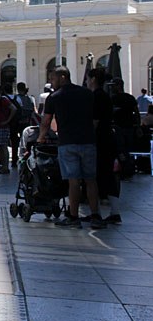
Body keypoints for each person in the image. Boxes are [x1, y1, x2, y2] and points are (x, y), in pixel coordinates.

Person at [38, 66, 105, 229]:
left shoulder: (54, 97)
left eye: (53, 79)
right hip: (88, 141)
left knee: (73, 181)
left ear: (62, 77)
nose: (51, 83)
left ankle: (73, 217)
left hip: (67, 143)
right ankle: (96, 216)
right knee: (91, 180)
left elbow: (46, 121)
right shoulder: (87, 93)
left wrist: (40, 138)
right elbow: (96, 120)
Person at [87, 68, 120, 224]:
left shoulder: (96, 97)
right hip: (107, 139)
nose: (87, 81)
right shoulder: (104, 96)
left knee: (100, 176)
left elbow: (94, 122)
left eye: (88, 78)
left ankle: (104, 212)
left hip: (100, 141)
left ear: (93, 79)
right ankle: (110, 211)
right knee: (106, 175)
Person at [111, 78, 140, 178]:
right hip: (129, 127)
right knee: (127, 150)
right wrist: (138, 126)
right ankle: (128, 169)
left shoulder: (113, 99)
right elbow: (136, 113)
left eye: (113, 85)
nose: (111, 88)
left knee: (120, 150)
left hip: (119, 128)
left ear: (118, 86)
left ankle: (124, 169)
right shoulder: (130, 98)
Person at [10, 82, 39, 168]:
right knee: (28, 142)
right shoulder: (31, 98)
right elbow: (34, 111)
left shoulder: (15, 98)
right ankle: (27, 159)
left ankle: (14, 160)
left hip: (16, 123)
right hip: (27, 123)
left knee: (15, 143)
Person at [0, 84, 17, 174]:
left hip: (2, 127)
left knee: (3, 147)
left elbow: (14, 109)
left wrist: (7, 121)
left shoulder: (3, 100)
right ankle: (3, 166)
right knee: (0, 147)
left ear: (0, 92)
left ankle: (5, 167)